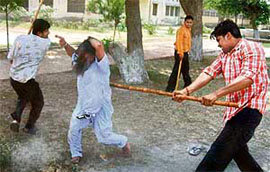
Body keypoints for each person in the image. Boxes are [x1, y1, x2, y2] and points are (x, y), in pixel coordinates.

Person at [173, 19, 268, 171]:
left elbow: (248, 78)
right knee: (240, 155)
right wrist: (186, 91)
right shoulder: (225, 55)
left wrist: (216, 94)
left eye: (219, 40)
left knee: (215, 157)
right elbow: (209, 72)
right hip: (234, 112)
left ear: (228, 35)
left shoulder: (251, 48)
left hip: (250, 110)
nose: (218, 44)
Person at [56, 35, 131, 164]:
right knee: (74, 128)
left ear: (93, 55)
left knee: (104, 137)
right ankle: (76, 153)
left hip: (101, 107)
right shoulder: (80, 61)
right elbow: (72, 54)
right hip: (84, 108)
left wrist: (89, 39)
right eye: (81, 56)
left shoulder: (101, 65)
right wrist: (65, 44)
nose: (83, 59)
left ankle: (123, 142)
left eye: (86, 56)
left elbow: (99, 46)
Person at [7, 19, 51, 134]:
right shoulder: (46, 43)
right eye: (46, 31)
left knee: (24, 96)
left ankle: (17, 117)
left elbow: (10, 58)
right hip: (27, 81)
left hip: (13, 78)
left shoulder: (19, 39)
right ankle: (29, 127)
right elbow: (37, 43)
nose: (48, 33)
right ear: (39, 33)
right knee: (38, 102)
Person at [166, 15, 193, 92]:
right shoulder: (181, 30)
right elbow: (179, 42)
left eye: (190, 22)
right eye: (187, 22)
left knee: (185, 69)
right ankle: (170, 87)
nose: (189, 24)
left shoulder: (188, 30)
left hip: (185, 52)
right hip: (180, 53)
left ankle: (188, 84)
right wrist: (180, 53)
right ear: (184, 22)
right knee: (177, 70)